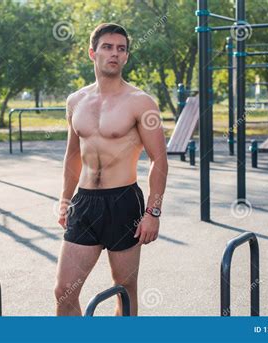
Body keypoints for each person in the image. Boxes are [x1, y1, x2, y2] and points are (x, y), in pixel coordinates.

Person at [55, 23, 168, 316]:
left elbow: (159, 160)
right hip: (85, 202)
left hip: (123, 203)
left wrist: (153, 212)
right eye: (107, 47)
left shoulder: (141, 102)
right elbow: (72, 156)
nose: (114, 54)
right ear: (93, 53)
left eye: (121, 49)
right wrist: (65, 200)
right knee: (63, 290)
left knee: (125, 289)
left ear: (127, 56)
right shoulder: (75, 101)